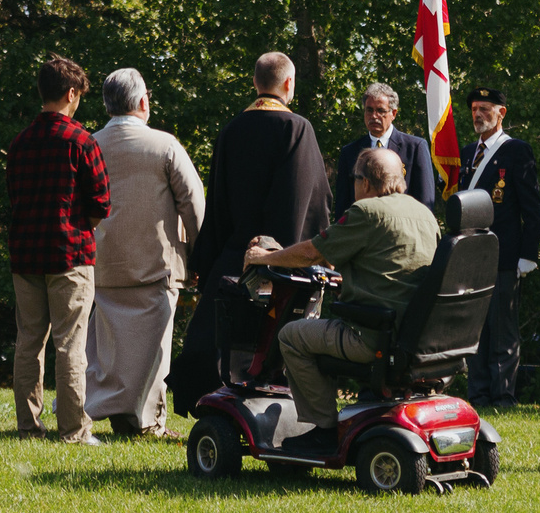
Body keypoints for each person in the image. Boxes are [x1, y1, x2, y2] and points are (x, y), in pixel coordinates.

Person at [254, 148, 441, 452]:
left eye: (355, 178)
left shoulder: (366, 211)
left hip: (373, 337)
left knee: (291, 336)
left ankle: (323, 428)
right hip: (417, 338)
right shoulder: (424, 214)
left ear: (365, 182)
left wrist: (264, 257)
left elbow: (311, 253)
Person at [175, 53, 331, 409]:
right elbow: (306, 199)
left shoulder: (232, 130)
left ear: (255, 82)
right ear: (289, 83)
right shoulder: (297, 129)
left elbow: (217, 204)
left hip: (233, 259)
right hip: (282, 262)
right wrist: (300, 254)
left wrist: (207, 260)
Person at [86, 67, 203, 437]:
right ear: (141, 101)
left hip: (103, 263)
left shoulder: (90, 145)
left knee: (109, 350)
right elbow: (193, 203)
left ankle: (113, 410)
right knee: (154, 350)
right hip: (156, 263)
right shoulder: (164, 145)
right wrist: (198, 253)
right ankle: (149, 421)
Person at [7, 56, 111, 443]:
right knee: (70, 345)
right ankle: (73, 429)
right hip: (70, 254)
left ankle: (28, 426)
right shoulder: (81, 141)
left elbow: (14, 197)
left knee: (28, 342)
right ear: (70, 94)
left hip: (26, 254)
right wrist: (80, 225)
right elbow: (101, 203)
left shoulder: (20, 143)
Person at [458, 86, 540, 408]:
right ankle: (478, 394)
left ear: (501, 113)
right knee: (474, 328)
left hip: (503, 255)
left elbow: (531, 208)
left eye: (485, 109)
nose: (478, 115)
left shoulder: (516, 150)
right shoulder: (467, 152)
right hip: (470, 255)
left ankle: (503, 396)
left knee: (503, 330)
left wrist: (527, 255)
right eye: (474, 109)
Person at [330, 82, 437, 214]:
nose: (374, 116)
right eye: (369, 110)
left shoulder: (414, 148)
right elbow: (342, 206)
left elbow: (425, 202)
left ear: (393, 113)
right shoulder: (350, 152)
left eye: (380, 111)